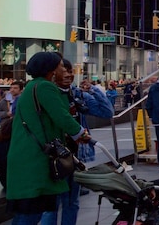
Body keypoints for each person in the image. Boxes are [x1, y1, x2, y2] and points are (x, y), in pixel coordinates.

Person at [7, 52, 91, 225]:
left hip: (25, 154)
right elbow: (61, 115)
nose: (64, 71)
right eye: (61, 67)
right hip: (36, 157)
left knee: (27, 210)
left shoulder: (32, 87)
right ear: (51, 70)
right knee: (31, 210)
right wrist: (80, 133)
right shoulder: (45, 87)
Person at [41, 62, 113, 225]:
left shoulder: (76, 94)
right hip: (52, 156)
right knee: (52, 205)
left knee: (71, 202)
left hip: (74, 157)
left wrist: (93, 89)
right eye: (63, 72)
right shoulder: (47, 95)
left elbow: (107, 112)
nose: (68, 75)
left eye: (70, 72)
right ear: (54, 74)